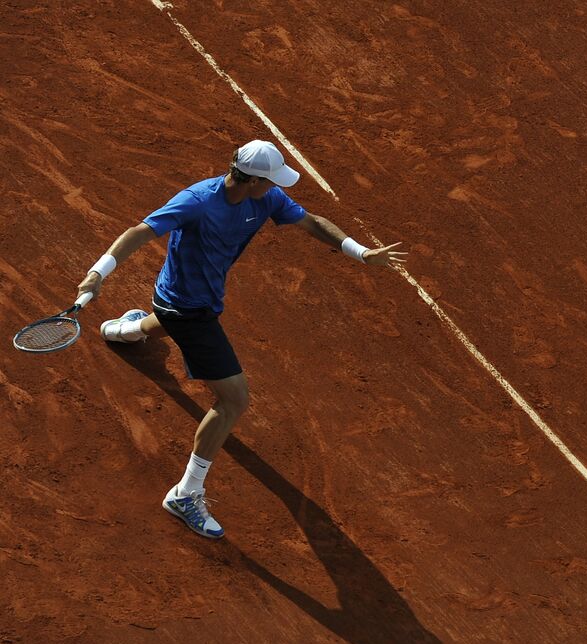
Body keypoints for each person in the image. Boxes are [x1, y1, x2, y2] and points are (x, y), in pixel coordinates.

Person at [77, 139, 407, 539]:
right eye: (270, 182)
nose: (276, 188)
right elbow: (140, 232)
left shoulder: (265, 199)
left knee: (163, 321)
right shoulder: (197, 201)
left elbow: (311, 222)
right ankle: (186, 493)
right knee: (234, 399)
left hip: (188, 301)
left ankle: (124, 330)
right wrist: (97, 273)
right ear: (250, 180)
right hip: (187, 309)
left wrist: (361, 253)